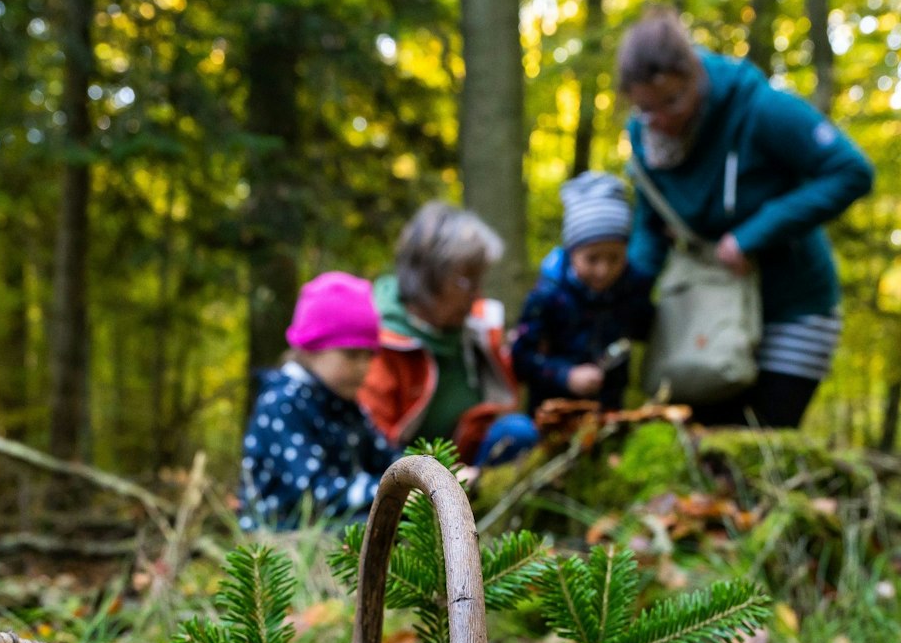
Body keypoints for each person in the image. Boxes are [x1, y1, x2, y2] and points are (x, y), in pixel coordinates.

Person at [619, 7, 874, 428]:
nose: (661, 119)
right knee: (700, 441)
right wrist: (626, 296)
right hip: (707, 312)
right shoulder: (645, 140)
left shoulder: (760, 109)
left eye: (672, 101)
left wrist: (752, 234)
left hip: (791, 306)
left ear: (695, 74)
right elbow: (649, 226)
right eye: (647, 108)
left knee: (760, 440)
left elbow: (851, 171)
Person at [362, 202, 536, 466]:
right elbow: (373, 446)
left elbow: (506, 400)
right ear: (428, 276)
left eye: (480, 280)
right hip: (406, 475)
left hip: (468, 468)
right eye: (467, 281)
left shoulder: (476, 328)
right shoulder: (379, 341)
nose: (477, 294)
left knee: (518, 432)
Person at [238, 272, 398, 531]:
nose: (363, 367)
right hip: (282, 539)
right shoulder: (282, 404)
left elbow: (386, 458)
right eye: (351, 355)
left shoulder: (346, 405)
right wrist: (388, 490)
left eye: (369, 355)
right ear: (312, 348)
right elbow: (313, 492)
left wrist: (429, 475)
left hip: (338, 526)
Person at [511, 172, 656, 413]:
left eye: (614, 258)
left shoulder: (631, 289)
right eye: (592, 259)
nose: (603, 270)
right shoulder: (547, 296)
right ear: (572, 252)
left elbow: (647, 329)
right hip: (551, 413)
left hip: (609, 412)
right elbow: (521, 359)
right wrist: (565, 375)